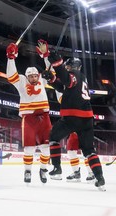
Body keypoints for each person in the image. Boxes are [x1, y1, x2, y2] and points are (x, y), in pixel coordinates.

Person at [36, 39, 105, 190]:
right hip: (87, 118)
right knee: (88, 150)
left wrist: (57, 63)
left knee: (53, 137)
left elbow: (67, 80)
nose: (66, 68)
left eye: (67, 66)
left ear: (71, 66)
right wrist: (52, 79)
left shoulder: (74, 74)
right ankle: (99, 177)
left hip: (73, 116)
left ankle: (57, 168)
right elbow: (63, 87)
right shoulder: (83, 78)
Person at [6, 43, 52, 184]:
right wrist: (11, 58)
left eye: (35, 76)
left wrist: (45, 56)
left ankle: (43, 169)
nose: (33, 78)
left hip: (44, 117)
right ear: (26, 76)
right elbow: (11, 75)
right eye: (31, 76)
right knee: (29, 148)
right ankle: (27, 171)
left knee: (46, 148)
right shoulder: (21, 82)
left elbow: (52, 72)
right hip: (29, 118)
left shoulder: (42, 80)